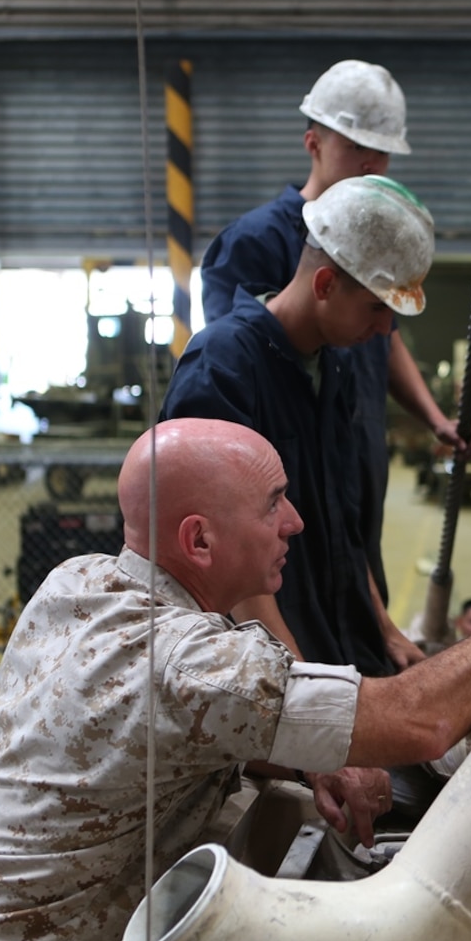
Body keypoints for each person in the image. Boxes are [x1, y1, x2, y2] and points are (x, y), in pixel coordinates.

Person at [0, 418, 471, 941]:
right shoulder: (191, 666)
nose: (296, 522)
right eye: (273, 502)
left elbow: (132, 736)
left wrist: (308, 754)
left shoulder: (77, 582)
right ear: (199, 538)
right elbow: (421, 723)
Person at [199, 59, 471, 647]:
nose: (372, 165)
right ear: (315, 143)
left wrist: (434, 418)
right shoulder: (255, 248)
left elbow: (391, 339)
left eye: (382, 154)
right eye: (357, 147)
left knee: (349, 583)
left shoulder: (360, 313)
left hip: (347, 467)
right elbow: (242, 386)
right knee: (292, 600)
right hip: (285, 481)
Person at [164, 175, 435, 677]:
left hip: (329, 642)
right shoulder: (222, 367)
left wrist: (381, 626)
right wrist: (305, 703)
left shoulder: (334, 366)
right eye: (377, 308)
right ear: (325, 284)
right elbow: (226, 568)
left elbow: (343, 524)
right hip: (253, 668)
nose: (383, 331)